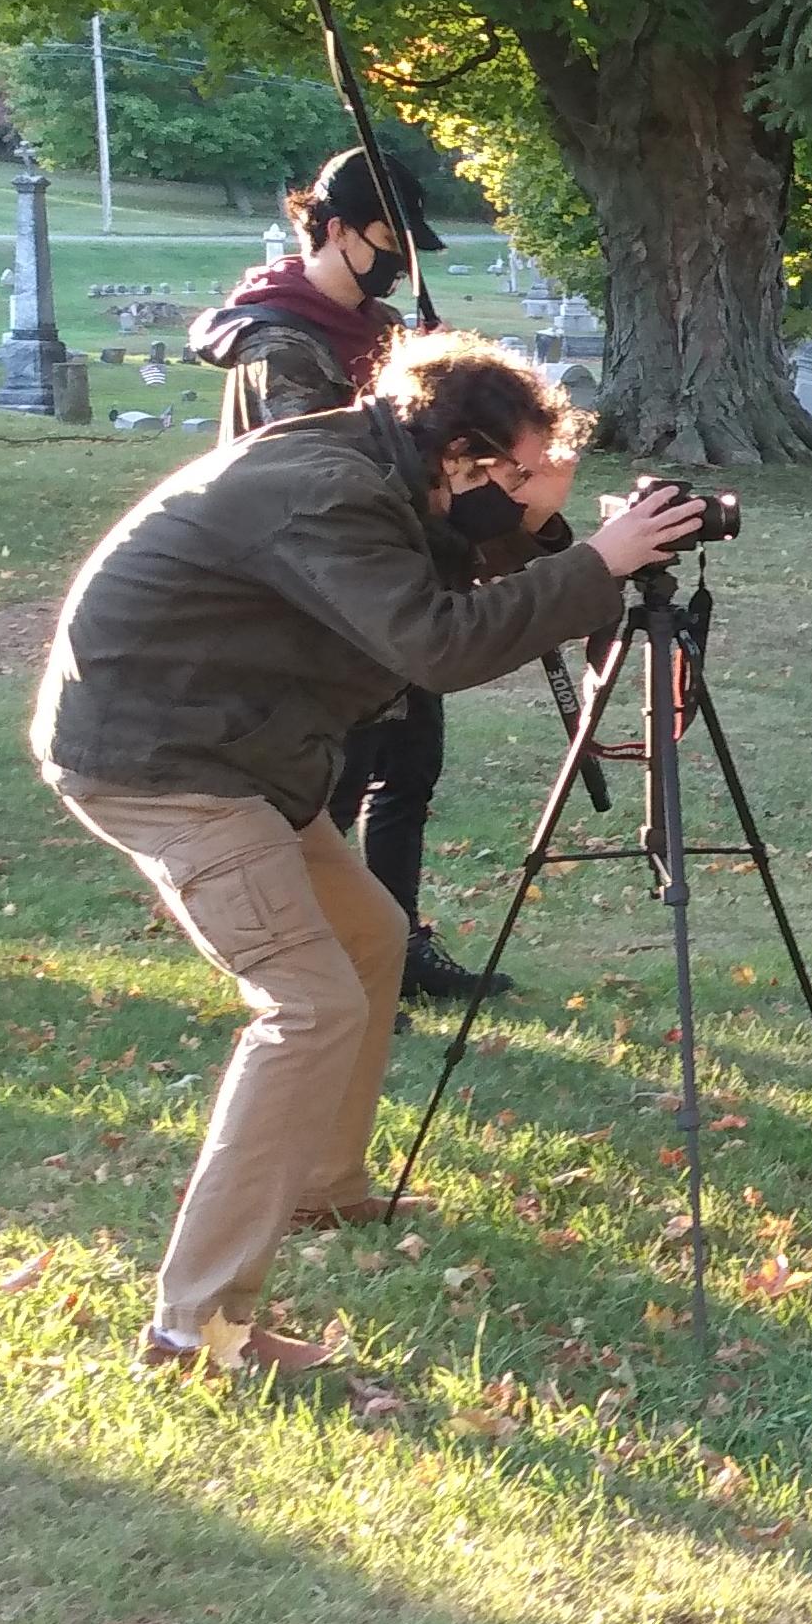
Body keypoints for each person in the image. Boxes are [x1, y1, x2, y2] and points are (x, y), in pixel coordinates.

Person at [30, 334, 708, 1376]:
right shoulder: (326, 491)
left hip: (238, 747)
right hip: (163, 758)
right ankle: (193, 1331)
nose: (524, 491)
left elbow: (451, 568)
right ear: (468, 452)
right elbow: (434, 642)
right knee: (309, 1004)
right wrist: (593, 565)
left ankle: (324, 1185)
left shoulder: (386, 471)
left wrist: (564, 540)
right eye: (521, 470)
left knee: (370, 936)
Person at [189, 147, 508, 1006]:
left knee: (410, 772)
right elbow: (328, 478)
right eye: (386, 244)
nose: (398, 267)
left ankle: (396, 949)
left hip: (401, 583)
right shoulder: (280, 344)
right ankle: (320, 968)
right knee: (329, 790)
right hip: (321, 599)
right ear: (331, 230)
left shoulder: (385, 335)